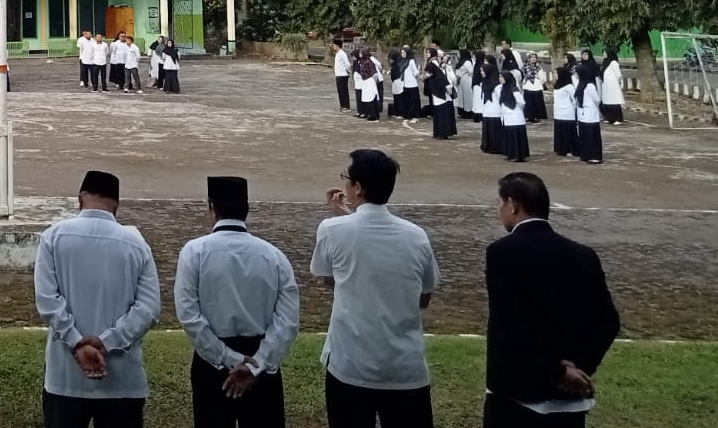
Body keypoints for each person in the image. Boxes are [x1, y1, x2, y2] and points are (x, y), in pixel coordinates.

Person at [313, 149, 439, 428]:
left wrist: (343, 218)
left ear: (358, 188)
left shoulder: (331, 229)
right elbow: (424, 297)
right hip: (405, 366)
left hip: (351, 363)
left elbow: (328, 278)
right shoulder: (416, 236)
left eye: (347, 178)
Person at [484, 172, 620, 428]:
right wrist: (578, 370)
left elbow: (510, 325)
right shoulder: (584, 254)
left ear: (513, 205)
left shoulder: (502, 252)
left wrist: (557, 373)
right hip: (570, 394)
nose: (499, 210)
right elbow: (609, 321)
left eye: (500, 203)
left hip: (516, 391)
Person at [34, 169, 161, 428]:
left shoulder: (54, 237)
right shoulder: (136, 244)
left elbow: (47, 300)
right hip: (122, 381)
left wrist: (77, 342)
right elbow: (148, 308)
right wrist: (106, 342)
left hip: (65, 379)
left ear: (80, 200)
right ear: (116, 206)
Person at [176, 176, 300, 428]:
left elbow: (189, 315)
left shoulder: (194, 251)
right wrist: (255, 365)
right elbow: (288, 320)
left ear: (211, 207)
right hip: (260, 361)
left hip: (212, 363)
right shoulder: (274, 255)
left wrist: (230, 358)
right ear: (247, 209)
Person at [574, 63, 604, 166]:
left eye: (577, 73)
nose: (576, 75)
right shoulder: (580, 84)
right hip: (582, 114)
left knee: (592, 136)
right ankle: (585, 154)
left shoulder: (590, 86)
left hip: (591, 114)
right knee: (584, 136)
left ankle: (595, 156)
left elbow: (597, 99)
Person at [500, 72, 530, 164]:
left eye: (501, 77)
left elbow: (521, 102)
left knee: (516, 137)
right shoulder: (503, 89)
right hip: (507, 117)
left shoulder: (514, 89)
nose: (500, 79)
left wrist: (517, 109)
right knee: (510, 136)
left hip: (515, 117)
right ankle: (511, 154)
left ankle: (517, 155)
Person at [426, 55, 457, 142]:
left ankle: (444, 133)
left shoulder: (442, 72)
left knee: (443, 114)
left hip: (443, 97)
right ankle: (439, 132)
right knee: (439, 114)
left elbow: (450, 81)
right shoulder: (435, 75)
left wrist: (448, 88)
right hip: (438, 97)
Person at [552, 65, 578, 157]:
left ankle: (570, 149)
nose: (554, 75)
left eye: (556, 73)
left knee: (568, 131)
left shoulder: (569, 86)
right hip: (558, 112)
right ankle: (561, 149)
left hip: (567, 113)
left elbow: (575, 99)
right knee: (560, 131)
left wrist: (572, 108)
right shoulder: (557, 85)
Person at [599, 50, 625, 125]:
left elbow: (618, 74)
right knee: (607, 101)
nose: (604, 54)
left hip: (613, 85)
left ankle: (618, 119)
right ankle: (609, 118)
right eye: (603, 52)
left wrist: (618, 83)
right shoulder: (605, 62)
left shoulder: (613, 63)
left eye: (605, 52)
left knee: (614, 101)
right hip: (606, 85)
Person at [354, 51, 381, 122]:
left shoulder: (369, 62)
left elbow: (374, 72)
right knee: (367, 98)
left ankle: (375, 115)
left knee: (371, 98)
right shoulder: (362, 62)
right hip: (365, 81)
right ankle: (371, 114)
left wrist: (375, 80)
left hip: (370, 81)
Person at [521, 55, 548, 125]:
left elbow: (542, 79)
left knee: (537, 103)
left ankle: (537, 118)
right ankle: (530, 117)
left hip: (537, 87)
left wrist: (538, 79)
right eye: (531, 57)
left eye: (535, 57)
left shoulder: (539, 68)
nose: (533, 59)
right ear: (529, 59)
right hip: (528, 86)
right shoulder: (525, 67)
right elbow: (522, 76)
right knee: (529, 103)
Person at [399, 47, 422, 123]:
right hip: (405, 84)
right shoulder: (403, 61)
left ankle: (415, 116)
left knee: (413, 101)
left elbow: (415, 72)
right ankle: (408, 115)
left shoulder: (411, 61)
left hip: (412, 84)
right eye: (401, 52)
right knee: (407, 101)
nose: (402, 54)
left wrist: (417, 73)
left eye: (404, 52)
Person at [333, 41, 353, 114]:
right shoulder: (337, 54)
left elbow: (347, 64)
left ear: (337, 45)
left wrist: (347, 71)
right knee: (340, 91)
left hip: (343, 75)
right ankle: (342, 105)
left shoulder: (342, 53)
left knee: (344, 91)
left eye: (334, 45)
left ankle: (346, 106)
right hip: (338, 74)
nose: (333, 47)